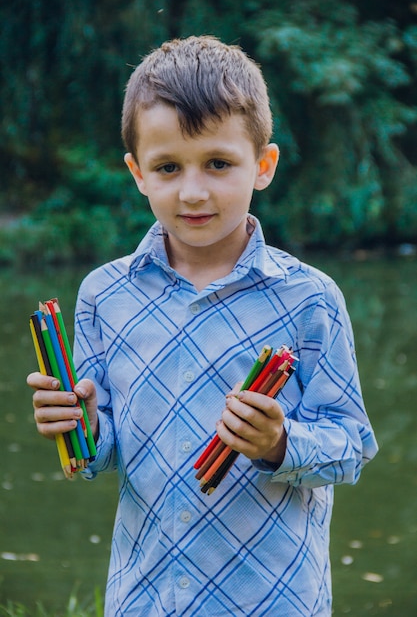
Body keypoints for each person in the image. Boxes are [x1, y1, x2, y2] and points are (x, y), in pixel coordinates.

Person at [27, 35, 378, 616]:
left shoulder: (309, 298)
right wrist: (79, 426)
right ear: (138, 173)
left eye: (218, 163)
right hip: (144, 597)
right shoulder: (103, 295)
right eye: (168, 167)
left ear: (262, 165)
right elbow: (101, 451)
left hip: (271, 599)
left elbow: (350, 445)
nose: (193, 191)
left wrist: (279, 442)